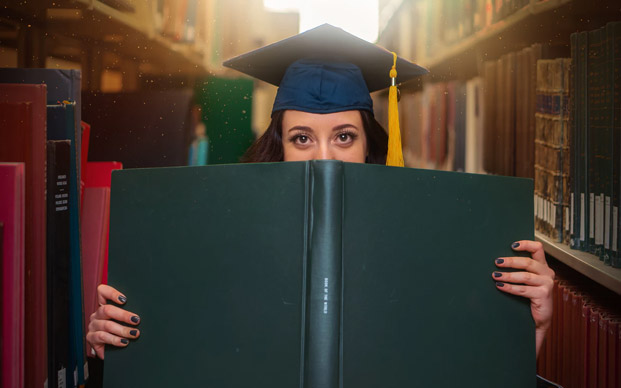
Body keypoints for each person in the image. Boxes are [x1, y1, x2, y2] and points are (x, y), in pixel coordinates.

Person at [86, 24, 555, 364]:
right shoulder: (220, 236)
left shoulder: (428, 241)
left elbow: (458, 368)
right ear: (280, 145)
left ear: (371, 143)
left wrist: (527, 330)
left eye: (345, 136)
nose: (324, 157)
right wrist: (117, 349)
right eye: (303, 137)